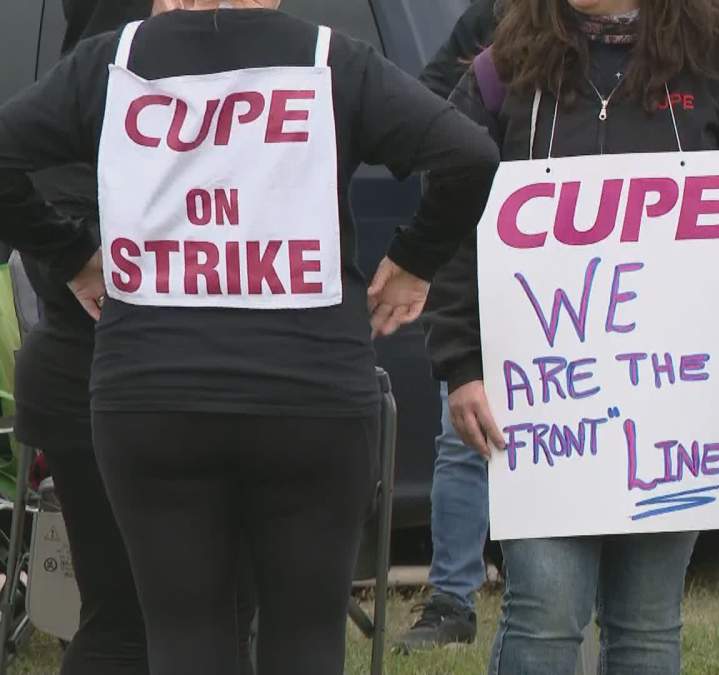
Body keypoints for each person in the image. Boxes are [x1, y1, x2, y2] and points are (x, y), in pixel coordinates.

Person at [0, 1, 498, 673]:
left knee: (181, 637)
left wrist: (69, 254)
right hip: (310, 397)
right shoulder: (331, 59)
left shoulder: (114, 62)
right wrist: (415, 260)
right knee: (304, 637)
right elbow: (469, 153)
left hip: (153, 398)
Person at [420, 0, 719, 671]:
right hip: (541, 413)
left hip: (679, 411)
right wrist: (461, 362)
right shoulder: (503, 70)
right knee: (544, 609)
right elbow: (450, 209)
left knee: (648, 624)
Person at [14, 2, 254, 673]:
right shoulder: (102, 78)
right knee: (127, 622)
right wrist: (79, 259)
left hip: (204, 388)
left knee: (215, 617)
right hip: (109, 387)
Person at [396, 0, 501, 652]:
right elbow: (431, 100)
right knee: (462, 435)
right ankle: (451, 602)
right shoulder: (495, 13)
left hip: (597, 265)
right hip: (497, 250)